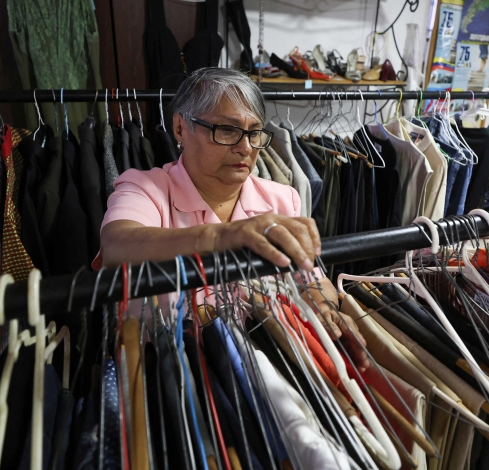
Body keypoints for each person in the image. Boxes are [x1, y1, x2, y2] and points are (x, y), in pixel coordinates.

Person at [96, 67, 367, 366]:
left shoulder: (280, 198)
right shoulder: (144, 189)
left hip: (264, 361)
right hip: (169, 372)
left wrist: (328, 309)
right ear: (179, 128)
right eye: (227, 130)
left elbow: (309, 277)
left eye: (254, 133)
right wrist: (221, 235)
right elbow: (116, 246)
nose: (246, 148)